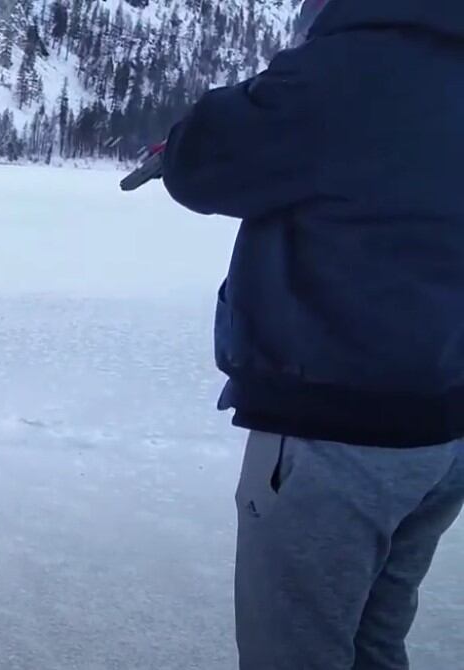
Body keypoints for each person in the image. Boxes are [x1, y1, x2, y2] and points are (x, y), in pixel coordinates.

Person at [160, 0, 464, 668]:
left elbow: (201, 161)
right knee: (371, 641)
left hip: (339, 432)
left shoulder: (343, 71)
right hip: (442, 434)